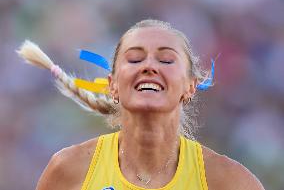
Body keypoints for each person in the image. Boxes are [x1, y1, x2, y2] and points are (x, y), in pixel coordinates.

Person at [20, 19, 264, 190]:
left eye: (166, 60)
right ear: (113, 84)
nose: (149, 66)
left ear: (190, 86)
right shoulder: (69, 170)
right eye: (135, 59)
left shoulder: (228, 182)